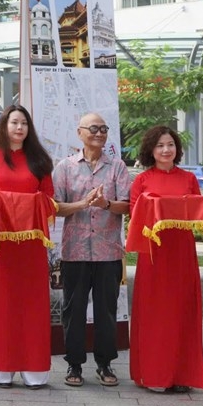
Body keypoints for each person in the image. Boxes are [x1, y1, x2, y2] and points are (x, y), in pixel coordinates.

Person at [127, 125, 203, 392]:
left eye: (170, 144)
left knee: (181, 310)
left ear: (177, 149)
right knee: (155, 312)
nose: (166, 150)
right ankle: (154, 373)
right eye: (160, 145)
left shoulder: (188, 179)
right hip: (153, 254)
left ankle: (181, 374)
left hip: (182, 251)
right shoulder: (142, 180)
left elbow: (198, 210)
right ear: (151, 150)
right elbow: (135, 218)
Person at [0, 104, 54, 389]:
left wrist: (25, 203)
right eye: (14, 123)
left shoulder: (39, 160)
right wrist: (7, 201)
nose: (19, 128)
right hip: (0, 245)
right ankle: (2, 366)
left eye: (24, 124)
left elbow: (48, 198)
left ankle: (34, 368)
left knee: (33, 304)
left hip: (31, 244)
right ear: (4, 126)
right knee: (2, 304)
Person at [51, 113, 132, 389]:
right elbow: (55, 207)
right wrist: (84, 204)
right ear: (80, 132)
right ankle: (74, 364)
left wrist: (105, 204)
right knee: (73, 310)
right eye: (93, 128)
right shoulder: (65, 167)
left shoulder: (117, 167)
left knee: (106, 310)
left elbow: (128, 205)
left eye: (104, 129)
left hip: (108, 251)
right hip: (74, 251)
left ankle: (104, 363)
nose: (99, 133)